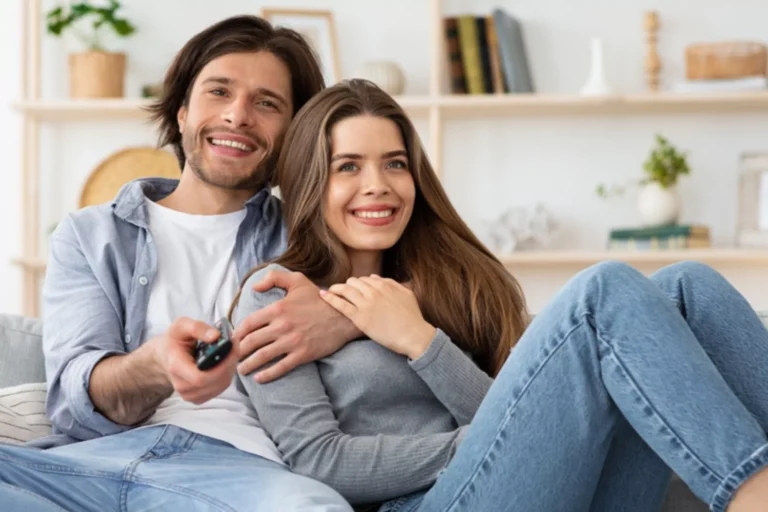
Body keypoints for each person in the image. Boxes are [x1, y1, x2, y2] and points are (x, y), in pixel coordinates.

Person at [229, 78, 768, 512]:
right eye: (348, 166)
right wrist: (485, 438)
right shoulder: (274, 299)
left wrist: (421, 339)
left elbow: (510, 412)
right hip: (425, 503)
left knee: (687, 287)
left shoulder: (454, 283)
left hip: (532, 490)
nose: (379, 184)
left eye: (394, 163)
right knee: (600, 292)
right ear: (309, 180)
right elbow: (320, 463)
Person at [0, 15, 360, 512]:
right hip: (83, 470)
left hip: (240, 473)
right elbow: (74, 407)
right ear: (183, 110)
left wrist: (344, 314)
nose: (237, 116)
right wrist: (154, 365)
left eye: (267, 103)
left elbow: (434, 297)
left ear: (293, 132)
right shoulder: (90, 235)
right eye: (219, 92)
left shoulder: (316, 236)